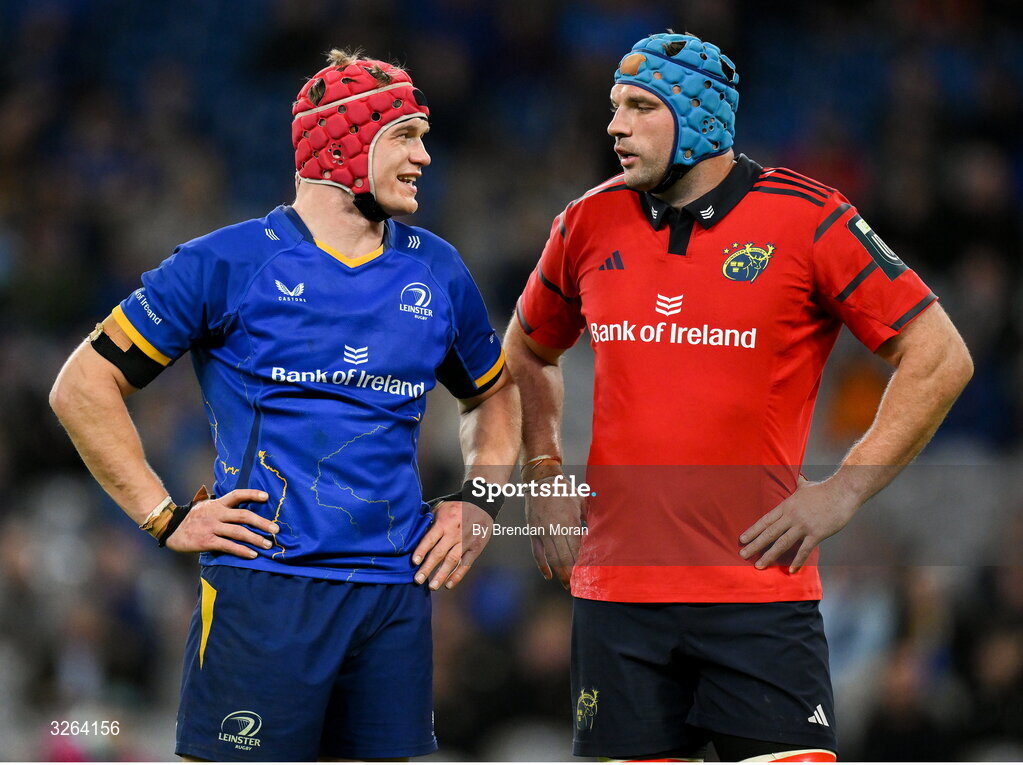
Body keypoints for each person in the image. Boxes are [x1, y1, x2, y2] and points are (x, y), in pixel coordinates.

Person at [504, 31, 973, 762]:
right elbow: (528, 348)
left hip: (757, 600)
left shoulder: (808, 217)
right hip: (618, 602)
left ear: (695, 116)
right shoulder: (585, 222)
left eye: (637, 106)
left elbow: (939, 355)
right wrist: (541, 469)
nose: (614, 126)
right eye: (611, 107)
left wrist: (842, 492)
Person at [50, 48, 520, 761]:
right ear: (343, 143)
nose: (425, 155)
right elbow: (82, 386)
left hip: (393, 594)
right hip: (266, 591)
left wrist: (480, 497)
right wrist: (164, 515)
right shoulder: (225, 264)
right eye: (405, 135)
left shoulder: (438, 269)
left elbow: (494, 394)